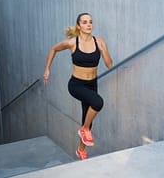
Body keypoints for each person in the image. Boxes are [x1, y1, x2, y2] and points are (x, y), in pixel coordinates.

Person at [43, 13, 113, 160]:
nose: (89, 25)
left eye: (91, 22)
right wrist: (47, 69)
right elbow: (53, 49)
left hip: (92, 84)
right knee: (98, 103)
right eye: (85, 22)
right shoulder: (72, 43)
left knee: (88, 117)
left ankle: (81, 149)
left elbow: (109, 64)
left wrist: (103, 50)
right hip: (76, 85)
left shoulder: (99, 42)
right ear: (79, 26)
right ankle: (84, 129)